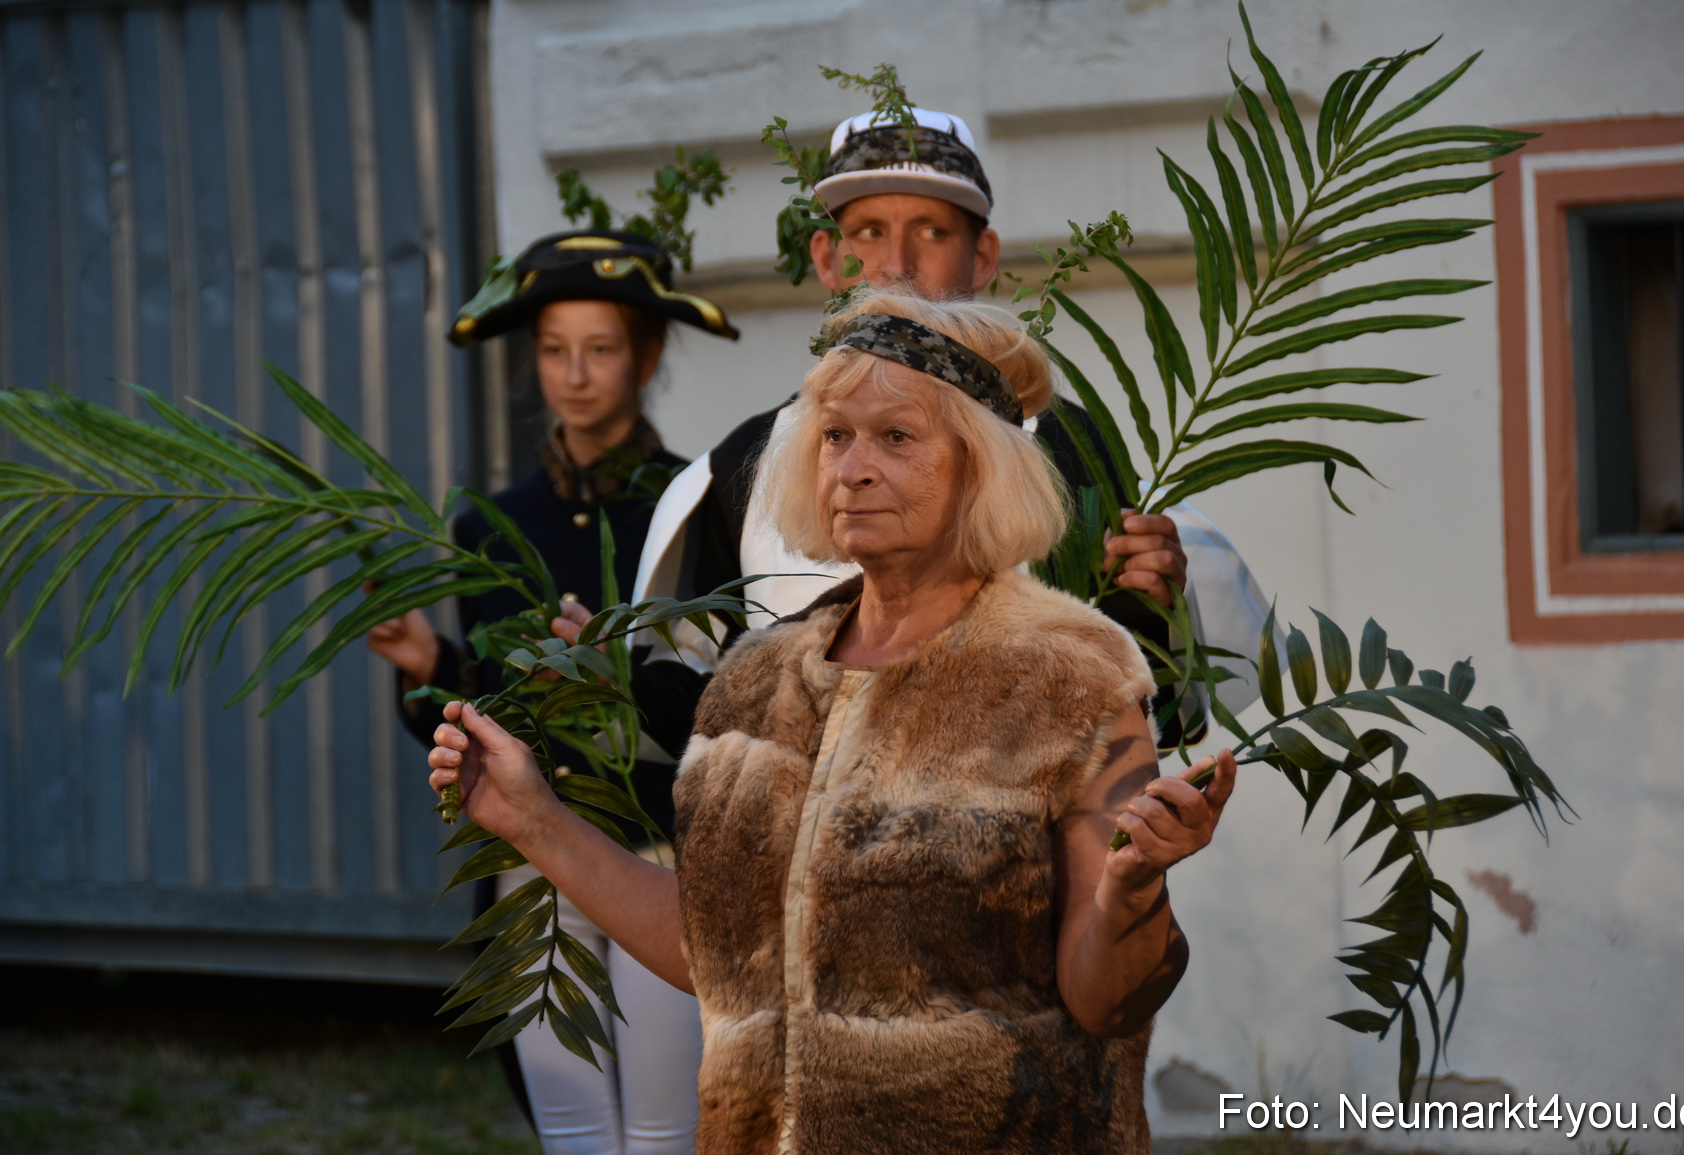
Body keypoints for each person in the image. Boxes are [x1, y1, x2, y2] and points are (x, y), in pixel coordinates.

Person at [428, 290, 1237, 1154]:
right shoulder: (757, 681)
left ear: (980, 466)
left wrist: (1134, 886)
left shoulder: (1072, 677)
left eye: (897, 437)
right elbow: (724, 954)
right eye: (835, 435)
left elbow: (1106, 1000)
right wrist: (531, 817)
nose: (852, 468)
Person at [620, 107, 1273, 768]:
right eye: (868, 232)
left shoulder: (1064, 449)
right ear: (825, 257)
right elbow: (695, 711)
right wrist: (602, 686)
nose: (897, 265)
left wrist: (1154, 608)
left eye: (932, 231)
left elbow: (1147, 717)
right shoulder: (744, 465)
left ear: (982, 256)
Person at [367, 228, 737, 1155]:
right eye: (553, 349)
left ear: (646, 355)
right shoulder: (492, 526)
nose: (574, 374)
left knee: (665, 1134)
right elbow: (489, 710)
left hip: (662, 856)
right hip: (530, 864)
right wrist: (432, 667)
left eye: (600, 349)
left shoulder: (701, 507)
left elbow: (732, 700)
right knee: (569, 1131)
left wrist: (624, 683)